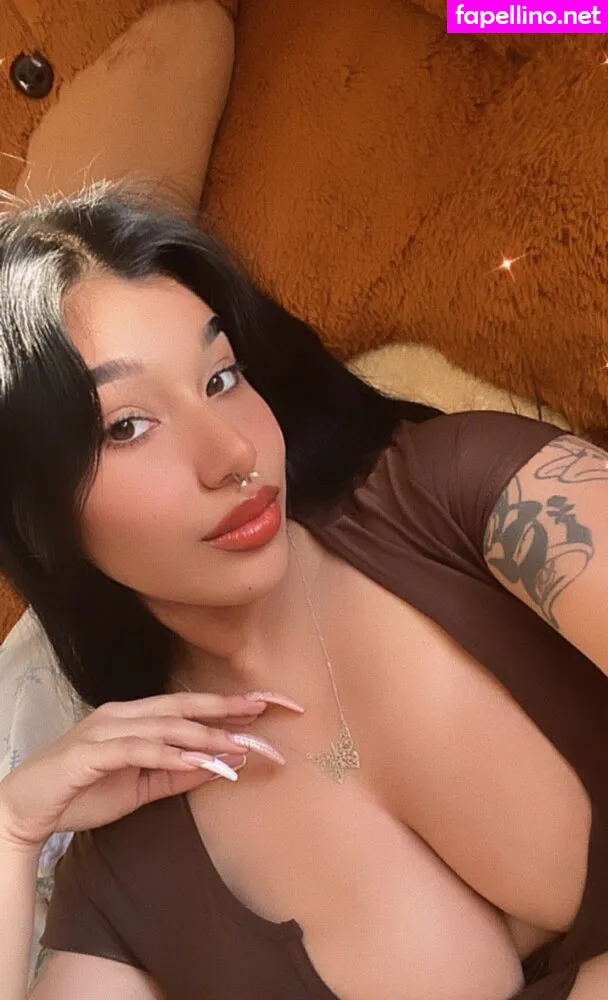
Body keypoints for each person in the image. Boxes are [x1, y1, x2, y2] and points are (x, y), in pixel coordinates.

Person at [0, 180, 606, 1000]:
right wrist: (12, 829)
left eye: (221, 378)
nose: (232, 456)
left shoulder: (471, 496)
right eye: (126, 427)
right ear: (32, 512)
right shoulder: (127, 864)